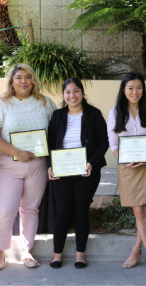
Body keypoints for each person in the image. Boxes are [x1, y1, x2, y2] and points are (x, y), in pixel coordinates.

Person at [0, 64, 57, 270]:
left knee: (30, 209)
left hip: (38, 164)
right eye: (18, 78)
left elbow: (54, 132)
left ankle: (28, 250)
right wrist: (17, 152)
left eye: (27, 77)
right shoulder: (0, 104)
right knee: (6, 210)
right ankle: (0, 250)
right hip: (9, 164)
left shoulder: (45, 103)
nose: (23, 81)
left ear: (33, 80)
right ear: (11, 81)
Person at [47, 78, 109, 269]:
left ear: (82, 93)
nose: (72, 95)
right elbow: (49, 144)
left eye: (76, 91)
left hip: (86, 171)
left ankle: (80, 254)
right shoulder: (57, 115)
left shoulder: (94, 114)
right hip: (62, 171)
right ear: (63, 95)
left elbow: (103, 143)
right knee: (63, 211)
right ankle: (57, 254)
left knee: (81, 211)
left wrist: (91, 163)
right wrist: (50, 166)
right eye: (67, 92)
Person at [107, 72, 146, 278]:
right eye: (130, 88)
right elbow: (113, 143)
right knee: (139, 212)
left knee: (144, 210)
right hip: (127, 167)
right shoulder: (114, 113)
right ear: (123, 90)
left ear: (143, 90)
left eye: (139, 87)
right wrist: (125, 157)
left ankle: (136, 250)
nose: (135, 92)